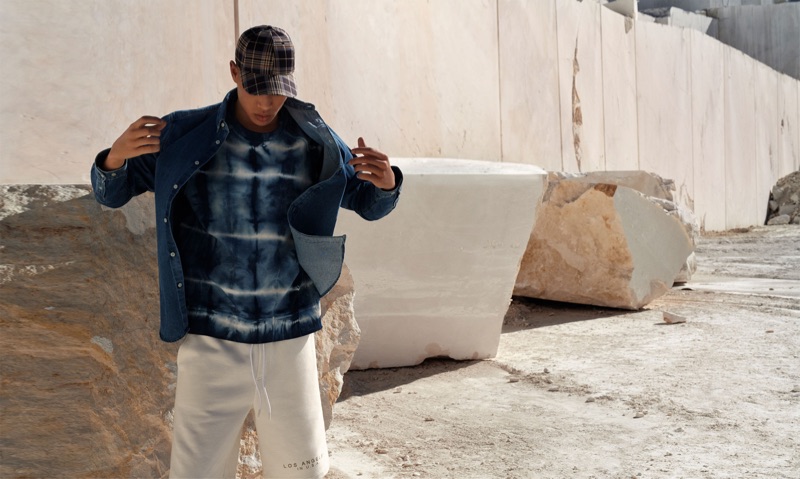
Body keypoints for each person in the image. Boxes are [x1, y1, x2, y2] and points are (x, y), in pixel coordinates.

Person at [90, 25, 402, 478]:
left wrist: (387, 184)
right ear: (234, 72)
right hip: (211, 338)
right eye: (256, 87)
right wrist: (114, 159)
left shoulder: (314, 137)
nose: (267, 102)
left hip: (290, 335)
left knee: (302, 473)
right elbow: (111, 193)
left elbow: (367, 202)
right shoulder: (184, 133)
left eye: (277, 89)